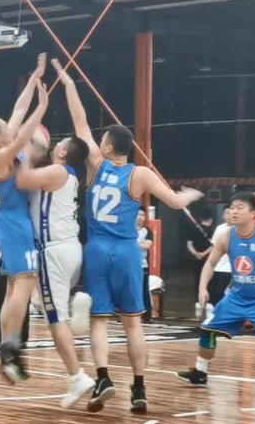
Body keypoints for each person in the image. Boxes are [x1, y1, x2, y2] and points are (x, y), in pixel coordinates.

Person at [54, 57, 203, 413]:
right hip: (126, 251)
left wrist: (69, 84)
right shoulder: (141, 174)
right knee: (133, 324)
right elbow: (174, 201)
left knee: (99, 321)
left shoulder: (95, 164)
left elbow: (79, 121)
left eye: (102, 139)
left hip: (96, 250)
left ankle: (103, 378)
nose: (98, 141)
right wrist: (191, 195)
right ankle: (139, 388)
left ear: (107, 148)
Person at [177, 192, 255, 399]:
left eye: (239, 207)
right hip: (237, 297)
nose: (233, 211)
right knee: (207, 331)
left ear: (253, 213)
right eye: (232, 207)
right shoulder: (226, 236)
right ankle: (200, 373)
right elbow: (210, 263)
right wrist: (202, 288)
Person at [0, 52, 48, 383]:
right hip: (15, 223)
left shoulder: (3, 150)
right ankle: (11, 347)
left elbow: (18, 110)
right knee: (25, 283)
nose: (10, 125)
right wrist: (43, 106)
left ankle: (6, 346)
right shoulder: (0, 156)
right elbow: (21, 134)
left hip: (10, 223)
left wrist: (33, 79)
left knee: (11, 289)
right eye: (4, 127)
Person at [16, 134, 95, 408]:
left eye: (60, 143)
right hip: (68, 249)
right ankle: (74, 312)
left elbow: (22, 179)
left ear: (63, 153)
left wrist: (26, 150)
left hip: (54, 252)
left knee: (53, 318)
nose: (56, 144)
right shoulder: (67, 176)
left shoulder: (58, 171)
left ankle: (77, 377)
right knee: (44, 303)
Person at [187, 212, 215, 316]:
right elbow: (213, 246)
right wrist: (204, 254)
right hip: (209, 259)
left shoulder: (194, 230)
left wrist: (196, 253)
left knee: (197, 279)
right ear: (211, 220)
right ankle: (208, 301)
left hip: (196, 259)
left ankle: (198, 302)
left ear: (201, 219)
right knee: (209, 279)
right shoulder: (213, 230)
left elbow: (189, 243)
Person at [206, 205, 232, 307]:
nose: (229, 215)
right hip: (218, 266)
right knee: (214, 291)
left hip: (231, 268)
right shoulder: (219, 228)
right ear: (223, 215)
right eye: (227, 213)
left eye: (231, 213)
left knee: (225, 292)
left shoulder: (240, 229)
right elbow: (214, 245)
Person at [136, 208, 153, 323]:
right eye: (138, 214)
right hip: (128, 265)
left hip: (142, 265)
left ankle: (147, 315)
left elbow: (147, 245)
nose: (140, 217)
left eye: (142, 215)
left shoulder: (147, 231)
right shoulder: (127, 229)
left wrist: (131, 244)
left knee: (143, 290)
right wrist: (138, 244)